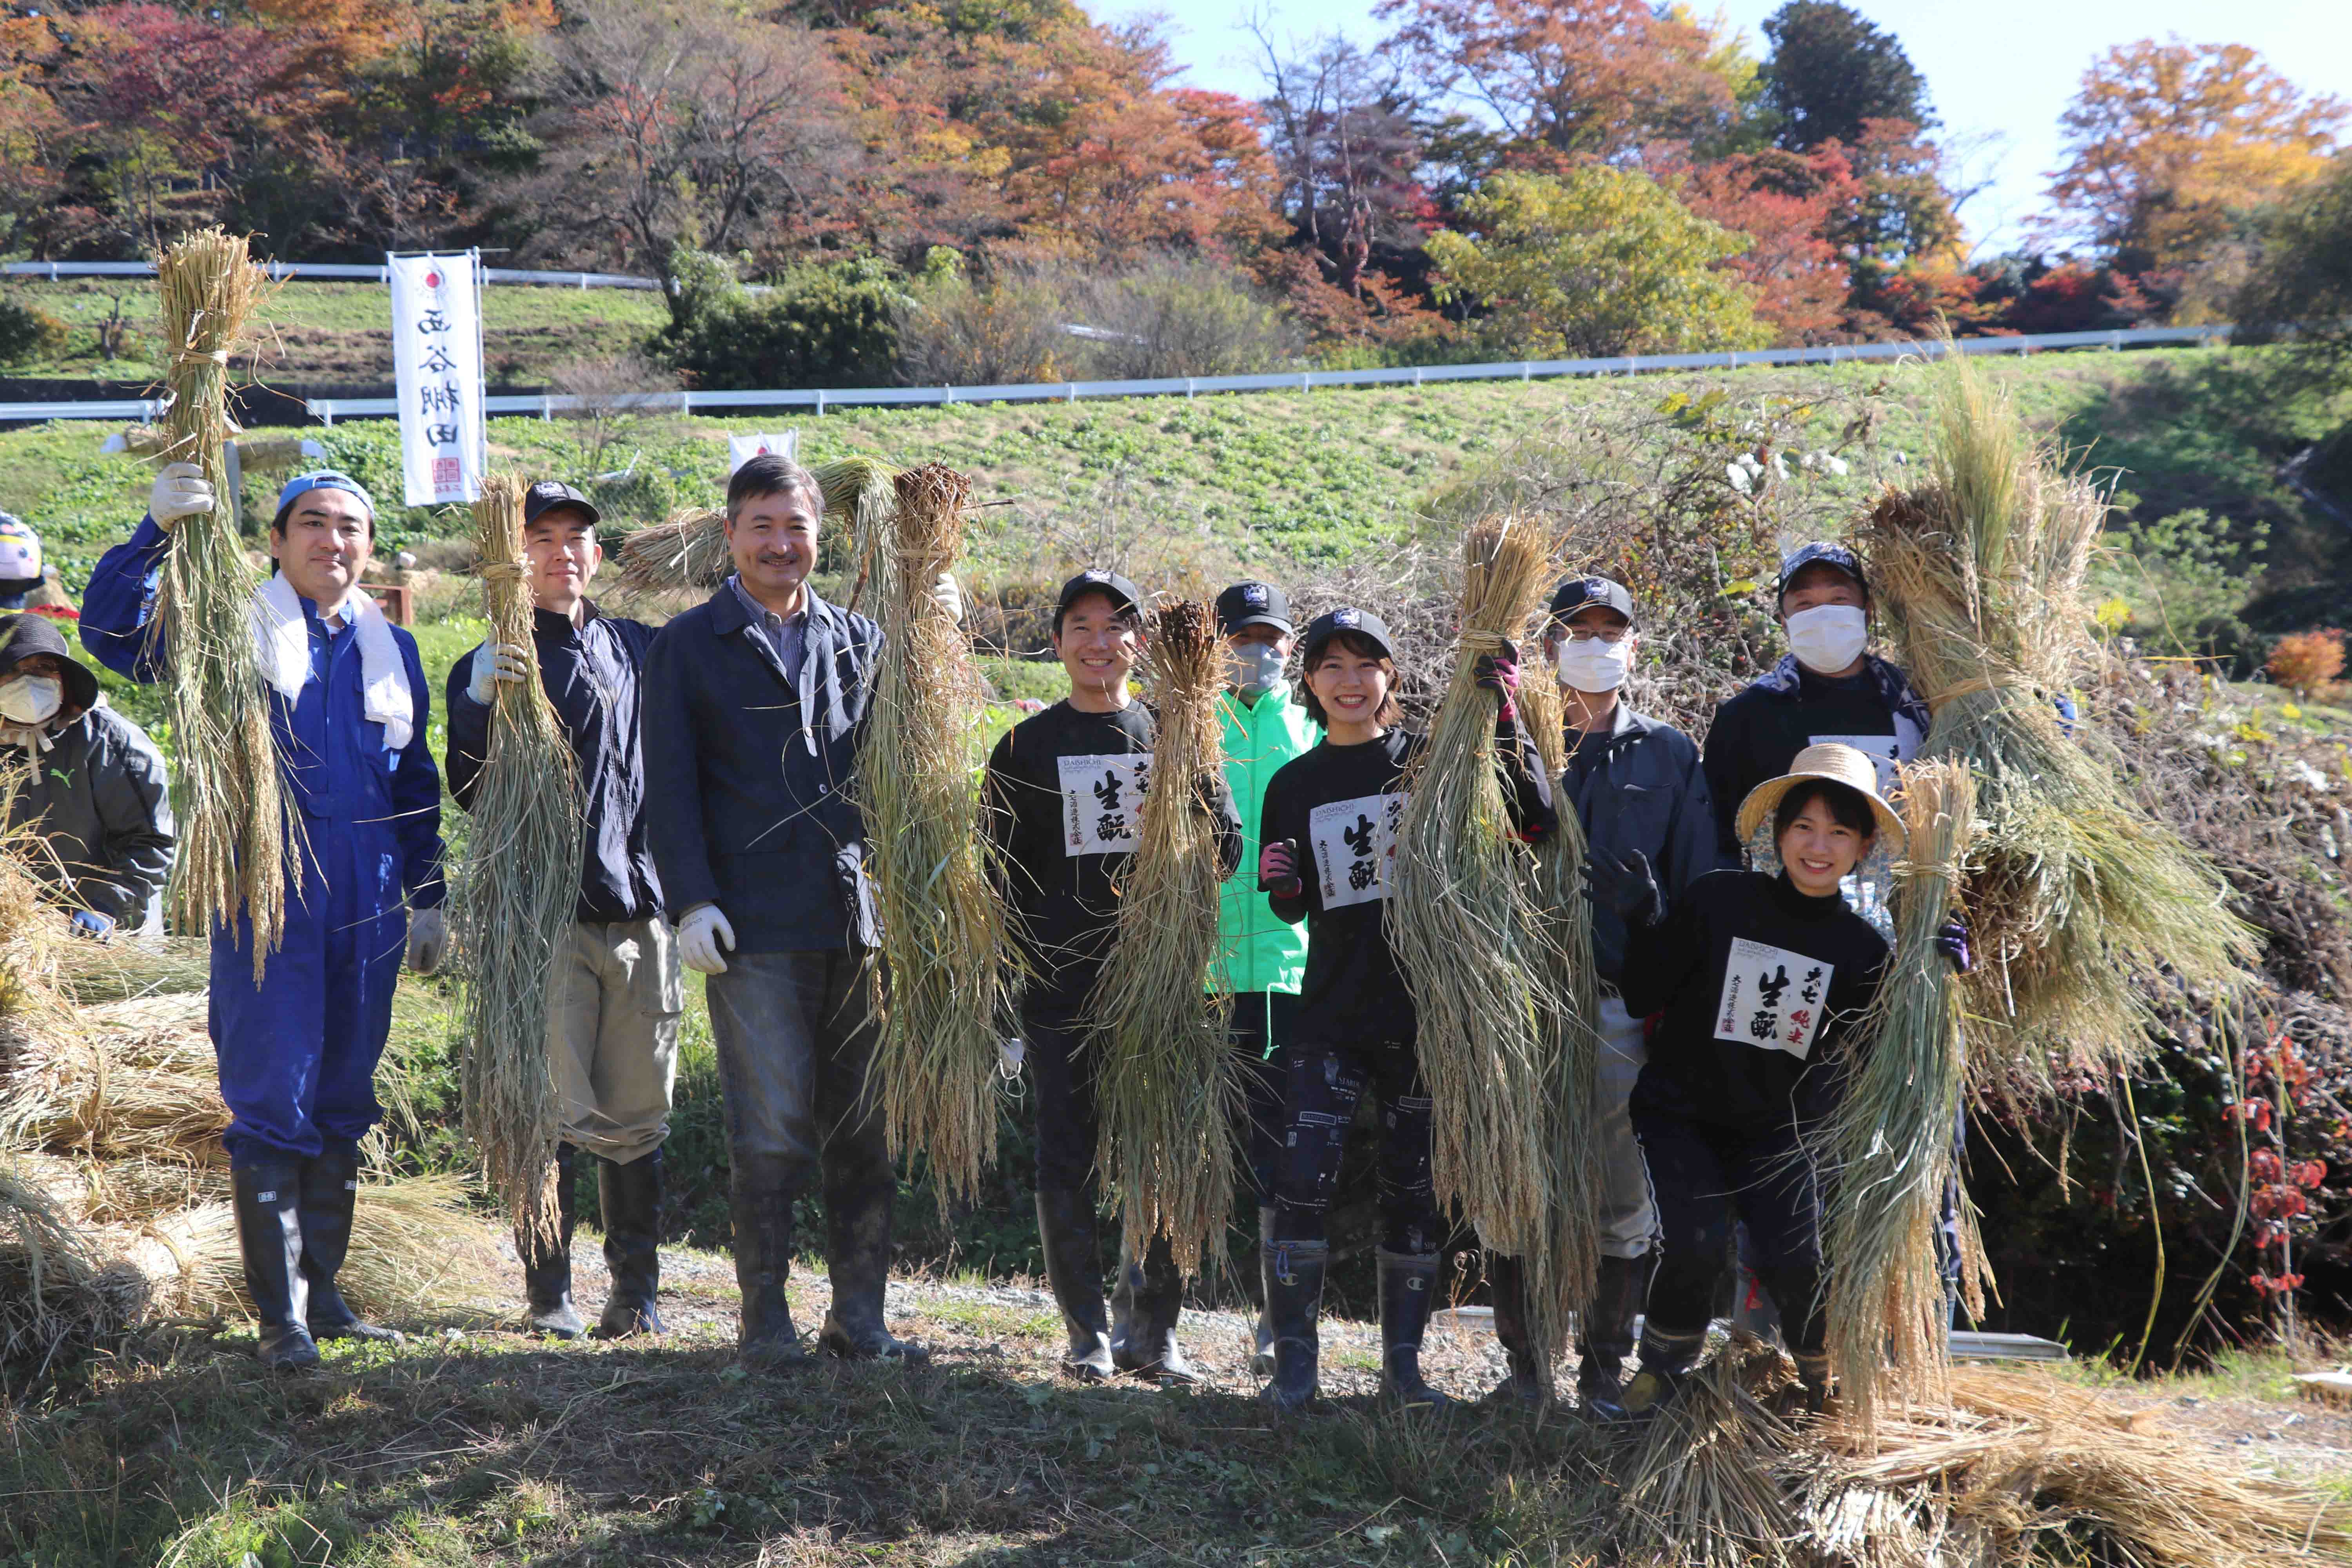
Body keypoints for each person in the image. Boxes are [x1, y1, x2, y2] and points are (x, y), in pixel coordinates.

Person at [82, 463, 447, 1370]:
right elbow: (112, 635)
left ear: (370, 546)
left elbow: (414, 786)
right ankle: (279, 1316)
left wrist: (429, 895)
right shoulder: (228, 630)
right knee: (272, 1095)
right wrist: (153, 534)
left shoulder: (389, 648)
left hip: (367, 900)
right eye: (313, 523)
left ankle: (325, 1298)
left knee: (342, 1096)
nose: (334, 540)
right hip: (268, 886)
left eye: (351, 526)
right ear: (277, 542)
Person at [640, 452, 925, 1365]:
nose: (779, 543)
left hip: (857, 918)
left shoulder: (858, 640)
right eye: (761, 526)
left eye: (796, 527)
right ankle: (765, 1318)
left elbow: (891, 781)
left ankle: (859, 1315)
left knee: (863, 1126)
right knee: (770, 1130)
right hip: (752, 924)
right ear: (729, 536)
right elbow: (669, 789)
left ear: (820, 537)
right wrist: (691, 901)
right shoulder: (688, 644)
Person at [1588, 744, 1964, 1418]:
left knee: (1797, 1263)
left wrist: (1928, 980)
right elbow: (1645, 994)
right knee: (1696, 1244)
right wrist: (1644, 920)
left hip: (1781, 1132)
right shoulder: (1718, 900)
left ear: (1863, 847)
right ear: (1778, 833)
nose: (1818, 846)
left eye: (1839, 831)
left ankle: (1823, 1389)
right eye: (1803, 827)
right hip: (1683, 1115)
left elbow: (1879, 1056)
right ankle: (1661, 1376)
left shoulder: (1864, 951)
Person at [1255, 608, 1555, 1412]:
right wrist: (1285, 885)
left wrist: (1503, 714)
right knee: (1300, 1180)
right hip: (1329, 1011)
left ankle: (1404, 1372)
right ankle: (1294, 1371)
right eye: (1331, 667)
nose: (1350, 681)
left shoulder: (1428, 760)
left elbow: (1534, 822)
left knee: (1413, 1190)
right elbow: (1293, 906)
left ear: (1391, 674)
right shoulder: (1293, 783)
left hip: (1429, 1012)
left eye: (1366, 664)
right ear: (1310, 683)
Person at [982, 569, 1243, 1385]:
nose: (1100, 642)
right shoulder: (1024, 745)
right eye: (1082, 626)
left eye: (1116, 626)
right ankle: (1086, 1331)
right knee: (1067, 1156)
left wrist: (1181, 849)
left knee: (1164, 1151)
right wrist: (1012, 984)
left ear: (1141, 643)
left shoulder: (1174, 730)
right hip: (1063, 987)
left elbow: (1227, 847)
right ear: (1057, 642)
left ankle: (1154, 1329)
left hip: (1163, 985)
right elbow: (996, 873)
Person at [446, 481, 675, 1343]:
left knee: (637, 1112)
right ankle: (550, 1293)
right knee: (549, 1112)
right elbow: (470, 791)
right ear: (511, 554)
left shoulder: (638, 649)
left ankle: (636, 1293)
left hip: (638, 910)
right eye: (541, 537)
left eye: (577, 537)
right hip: (540, 924)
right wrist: (474, 702)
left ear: (598, 554)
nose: (562, 552)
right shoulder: (496, 658)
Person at [1487, 575, 1715, 1413]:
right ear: (1548, 645)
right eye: (1576, 628)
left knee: (1622, 1194)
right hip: (1514, 1006)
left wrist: (1656, 929)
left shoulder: (1667, 754)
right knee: (1514, 1184)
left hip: (1621, 1006)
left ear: (1634, 645)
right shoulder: (1505, 742)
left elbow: (1699, 887)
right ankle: (1523, 1371)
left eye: (1609, 628)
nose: (1593, 641)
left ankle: (1601, 1370)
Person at [1209, 579, 1316, 1378]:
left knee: (1286, 1158)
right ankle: (1148, 1315)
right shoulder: (1187, 727)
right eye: (1244, 636)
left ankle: (1278, 1325)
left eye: (1273, 639)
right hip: (1194, 974)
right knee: (1183, 1144)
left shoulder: (1314, 731)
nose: (1260, 652)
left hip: (1288, 975)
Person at [1700, 543, 1929, 875]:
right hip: (1786, 919)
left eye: (1838, 600)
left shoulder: (1917, 707)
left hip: (1908, 910)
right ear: (1784, 621)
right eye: (1805, 604)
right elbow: (1718, 838)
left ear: (1866, 611)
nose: (1823, 615)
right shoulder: (1748, 716)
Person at [0, 612, 172, 937]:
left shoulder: (110, 743)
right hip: (22, 936)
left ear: (64, 679)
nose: (29, 681)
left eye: (44, 669)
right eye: (14, 670)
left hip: (110, 941)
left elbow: (149, 841)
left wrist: (107, 909)